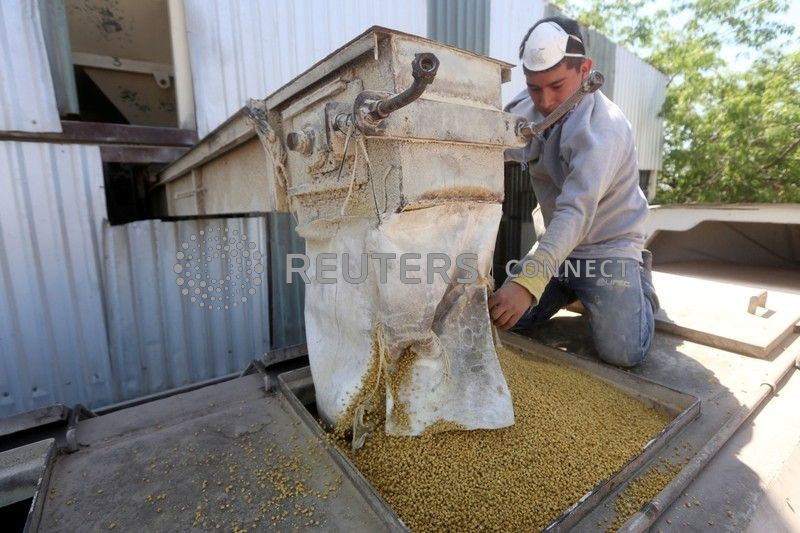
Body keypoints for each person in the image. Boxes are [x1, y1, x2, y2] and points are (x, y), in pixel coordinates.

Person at [487, 15, 660, 367]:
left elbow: (575, 211)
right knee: (506, 320)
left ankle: (639, 278)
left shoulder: (605, 129)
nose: (545, 101)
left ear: (586, 72)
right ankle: (568, 285)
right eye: (534, 87)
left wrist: (527, 282)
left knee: (624, 353)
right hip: (558, 245)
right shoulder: (522, 111)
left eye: (557, 85)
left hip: (607, 249)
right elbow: (485, 154)